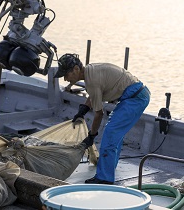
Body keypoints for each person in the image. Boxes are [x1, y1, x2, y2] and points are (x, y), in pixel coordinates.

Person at [54, 53, 150, 184]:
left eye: (66, 74)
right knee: (115, 133)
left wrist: (91, 135)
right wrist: (84, 109)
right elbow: (94, 94)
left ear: (76, 69)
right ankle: (110, 167)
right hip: (136, 95)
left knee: (111, 132)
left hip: (134, 99)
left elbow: (99, 114)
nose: (65, 79)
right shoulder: (90, 71)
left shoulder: (91, 80)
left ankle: (104, 178)